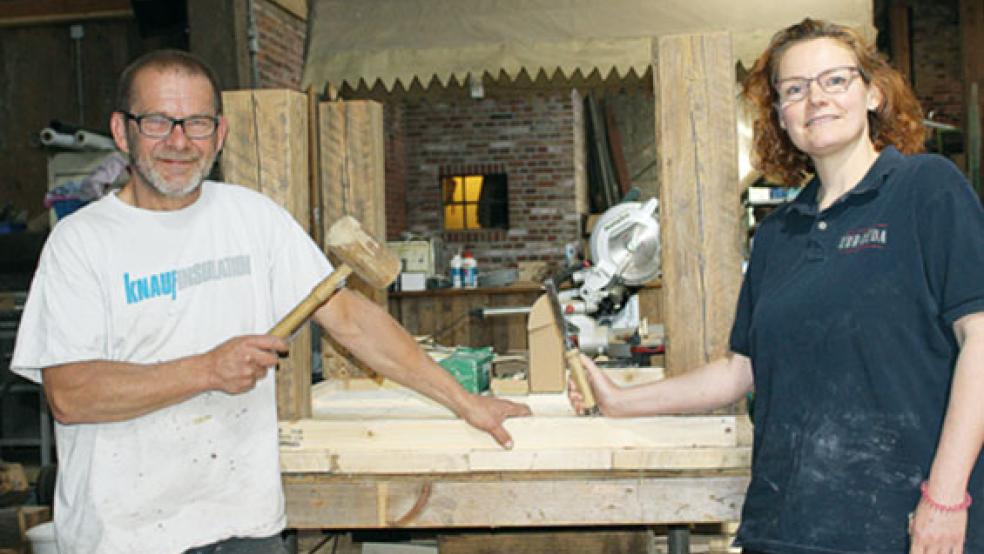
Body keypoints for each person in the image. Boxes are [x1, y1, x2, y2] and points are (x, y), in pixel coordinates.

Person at [10, 49, 530, 554]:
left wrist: (467, 403)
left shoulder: (252, 217)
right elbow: (71, 394)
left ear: (221, 133)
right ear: (122, 131)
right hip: (127, 537)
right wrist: (208, 370)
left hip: (245, 526)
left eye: (197, 123)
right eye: (157, 122)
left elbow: (350, 319)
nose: (179, 141)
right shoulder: (81, 242)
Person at [569, 18, 983, 554]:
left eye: (835, 80)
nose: (816, 98)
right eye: (795, 89)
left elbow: (980, 336)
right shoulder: (777, 235)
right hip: (787, 523)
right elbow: (739, 370)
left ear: (873, 93)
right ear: (781, 117)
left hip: (904, 526)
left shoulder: (926, 189)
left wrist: (946, 498)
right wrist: (623, 401)